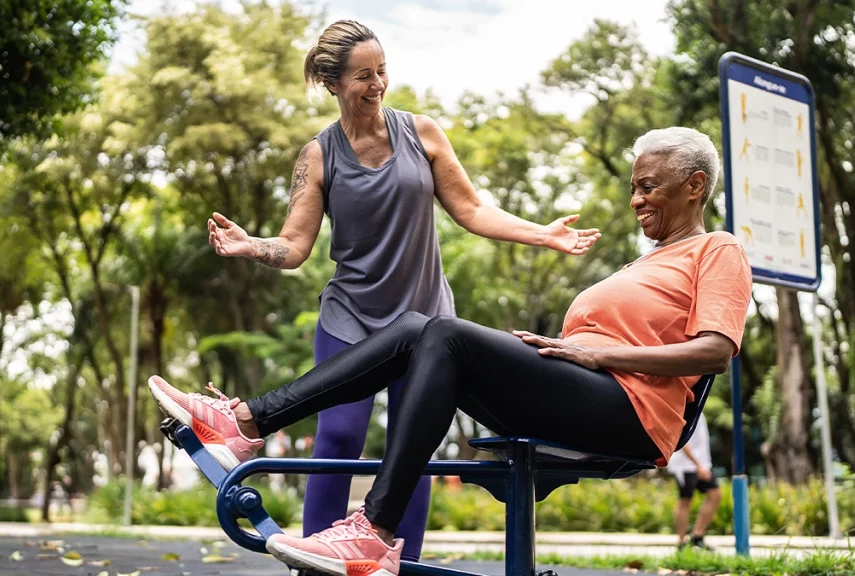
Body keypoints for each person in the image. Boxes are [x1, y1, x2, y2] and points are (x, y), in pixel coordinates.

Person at [151, 125, 753, 576]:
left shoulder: (715, 250)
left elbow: (714, 351)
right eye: (634, 188)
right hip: (581, 388)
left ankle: (373, 532)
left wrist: (600, 356)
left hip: (628, 412)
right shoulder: (645, 262)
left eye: (649, 187)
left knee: (440, 329)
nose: (636, 200)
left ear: (694, 185)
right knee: (418, 332)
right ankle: (244, 422)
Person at [201, 19, 600, 563]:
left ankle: (398, 562)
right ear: (332, 83)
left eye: (382, 71)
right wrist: (252, 246)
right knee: (338, 438)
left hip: (425, 322)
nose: (377, 84)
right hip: (350, 320)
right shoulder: (319, 155)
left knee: (411, 447)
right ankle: (317, 562)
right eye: (363, 75)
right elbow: (295, 247)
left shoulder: (423, 133)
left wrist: (543, 234)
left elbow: (472, 210)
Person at [667, 412, 721, 550]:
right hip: (685, 465)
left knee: (715, 495)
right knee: (685, 500)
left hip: (703, 464)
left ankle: (697, 536)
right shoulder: (683, 408)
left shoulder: (699, 407)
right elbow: (680, 440)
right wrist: (697, 465)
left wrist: (702, 465)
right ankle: (681, 542)